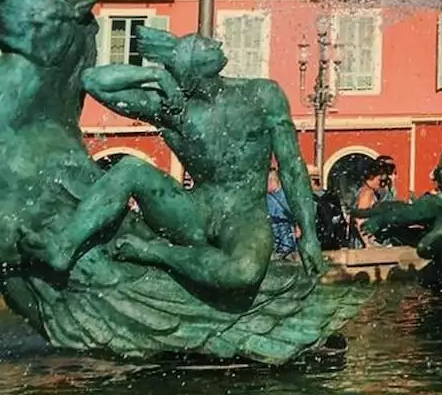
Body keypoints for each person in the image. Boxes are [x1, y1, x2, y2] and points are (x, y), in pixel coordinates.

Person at [24, 30, 326, 289]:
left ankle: (154, 253)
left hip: (245, 215)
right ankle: (63, 247)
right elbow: (91, 81)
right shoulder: (170, 108)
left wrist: (308, 233)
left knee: (244, 271)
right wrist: (153, 74)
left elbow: (292, 166)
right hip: (194, 211)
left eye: (173, 69)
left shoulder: (262, 96)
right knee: (130, 168)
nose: (171, 76)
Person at [265, 168, 298, 258]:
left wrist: (297, 225)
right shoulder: (267, 196)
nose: (267, 184)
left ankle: (286, 250)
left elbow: (293, 211)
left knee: (285, 237)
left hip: (284, 222)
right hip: (273, 221)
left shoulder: (285, 195)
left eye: (269, 181)